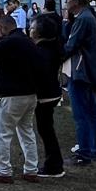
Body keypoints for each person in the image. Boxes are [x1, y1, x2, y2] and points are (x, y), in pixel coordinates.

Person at [0, 12, 41, 183]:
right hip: (30, 93)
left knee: (2, 133)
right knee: (27, 132)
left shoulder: (9, 42)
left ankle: (3, 170)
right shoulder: (28, 42)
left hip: (12, 94)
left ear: (2, 28)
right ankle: (31, 169)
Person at [63, 0, 96, 165]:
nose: (66, 3)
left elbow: (71, 45)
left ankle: (84, 152)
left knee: (81, 114)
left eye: (68, 0)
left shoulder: (82, 19)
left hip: (80, 71)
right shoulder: (89, 17)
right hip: (89, 70)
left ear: (76, 1)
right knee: (92, 112)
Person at [31, 11, 65, 178]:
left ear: (39, 32)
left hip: (45, 95)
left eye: (32, 28)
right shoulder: (50, 47)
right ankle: (53, 163)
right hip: (51, 93)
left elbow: (38, 72)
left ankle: (54, 165)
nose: (30, 30)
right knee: (46, 129)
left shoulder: (43, 50)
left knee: (46, 130)